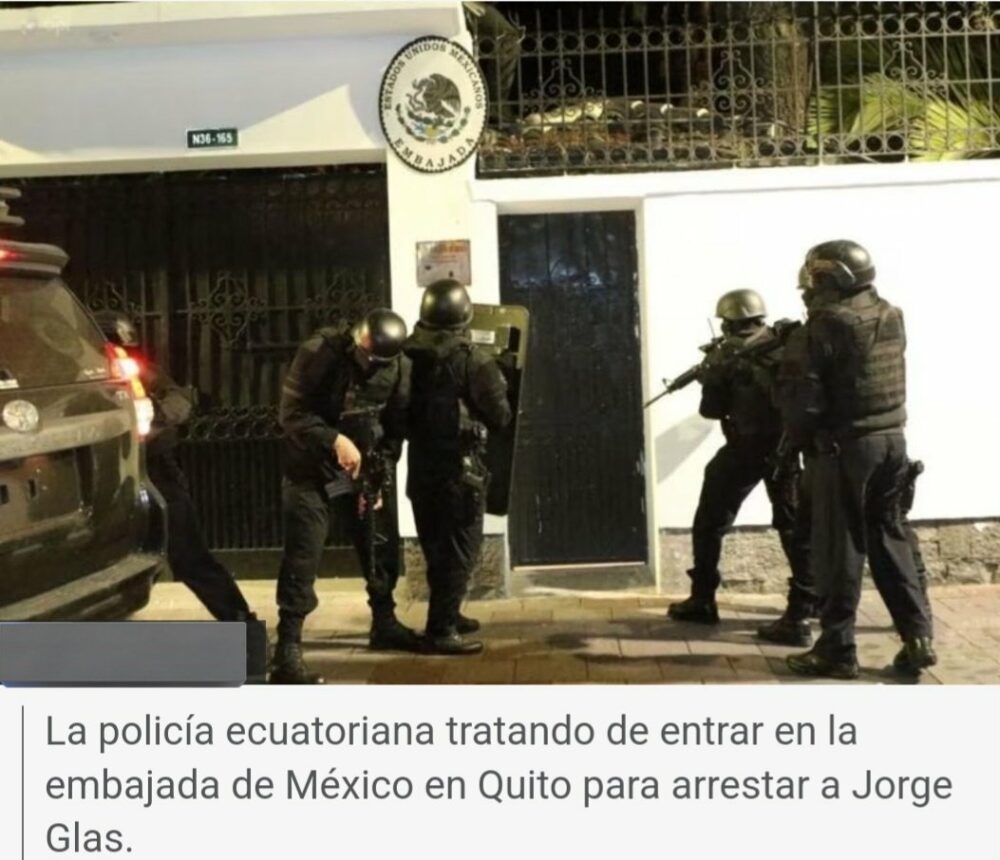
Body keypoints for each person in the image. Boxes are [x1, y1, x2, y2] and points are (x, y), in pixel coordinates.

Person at [783, 240, 934, 679]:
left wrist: (794, 440)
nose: (808, 289)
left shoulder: (821, 328)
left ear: (829, 278)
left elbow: (804, 406)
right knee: (891, 539)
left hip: (845, 450)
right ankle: (918, 638)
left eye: (814, 280)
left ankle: (837, 649)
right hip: (892, 442)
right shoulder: (890, 314)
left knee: (839, 549)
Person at [271, 309, 418, 684]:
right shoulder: (320, 352)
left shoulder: (399, 367)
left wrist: (378, 478)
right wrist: (334, 440)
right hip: (310, 468)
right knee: (303, 554)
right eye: (364, 355)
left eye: (377, 360)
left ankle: (384, 622)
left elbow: (395, 428)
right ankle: (287, 650)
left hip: (363, 468)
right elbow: (292, 414)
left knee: (379, 545)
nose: (368, 365)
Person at [667, 289, 815, 635]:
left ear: (728, 321)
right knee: (793, 526)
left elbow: (711, 410)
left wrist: (710, 379)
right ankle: (807, 604)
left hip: (745, 448)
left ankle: (703, 598)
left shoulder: (726, 354)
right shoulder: (785, 344)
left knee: (709, 521)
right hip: (785, 448)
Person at [94, 312, 256, 624]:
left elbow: (177, 399)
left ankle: (243, 628)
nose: (120, 354)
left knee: (189, 555)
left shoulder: (135, 371)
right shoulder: (84, 377)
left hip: (154, 470)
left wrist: (154, 413)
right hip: (110, 477)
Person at [405, 279, 512, 655]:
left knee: (436, 548)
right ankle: (441, 629)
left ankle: (448, 612)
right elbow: (501, 416)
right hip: (459, 472)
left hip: (421, 468)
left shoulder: (407, 354)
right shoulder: (474, 361)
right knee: (461, 550)